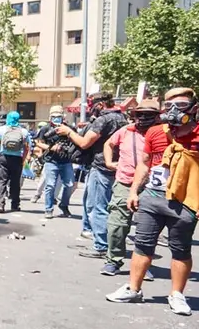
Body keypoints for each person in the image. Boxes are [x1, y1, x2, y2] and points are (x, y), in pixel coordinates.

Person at [107, 88, 199, 316]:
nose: (174, 111)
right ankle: (134, 288)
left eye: (181, 105)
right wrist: (134, 192)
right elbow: (145, 164)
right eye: (169, 106)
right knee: (142, 244)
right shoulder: (156, 132)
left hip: (184, 201)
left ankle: (177, 294)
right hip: (153, 197)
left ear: (194, 108)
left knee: (180, 249)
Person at [59, 93, 128, 259]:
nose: (91, 108)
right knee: (108, 207)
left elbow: (84, 143)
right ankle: (107, 242)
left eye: (92, 105)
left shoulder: (103, 120)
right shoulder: (122, 118)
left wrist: (68, 132)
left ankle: (102, 246)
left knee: (98, 207)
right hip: (116, 166)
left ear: (101, 104)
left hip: (102, 166)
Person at [102, 99, 161, 277]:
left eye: (148, 115)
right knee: (117, 224)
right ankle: (113, 260)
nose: (142, 118)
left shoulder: (162, 133)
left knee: (147, 229)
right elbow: (109, 144)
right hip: (125, 182)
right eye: (139, 114)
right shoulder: (126, 131)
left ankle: (141, 265)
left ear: (157, 116)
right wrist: (109, 162)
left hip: (151, 186)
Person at [34, 105, 77, 219]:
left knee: (70, 185)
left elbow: (76, 140)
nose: (56, 118)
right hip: (51, 161)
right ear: (50, 117)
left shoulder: (69, 128)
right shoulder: (46, 129)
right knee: (50, 185)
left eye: (59, 116)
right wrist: (50, 147)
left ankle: (64, 205)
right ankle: (49, 209)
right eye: (54, 116)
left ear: (63, 117)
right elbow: (38, 142)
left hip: (66, 160)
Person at [0, 111, 30, 213]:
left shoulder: (1, 129)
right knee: (15, 182)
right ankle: (15, 204)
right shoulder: (24, 131)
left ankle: (0, 204)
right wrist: (23, 159)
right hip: (17, 158)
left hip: (4, 157)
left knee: (1, 181)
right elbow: (27, 147)